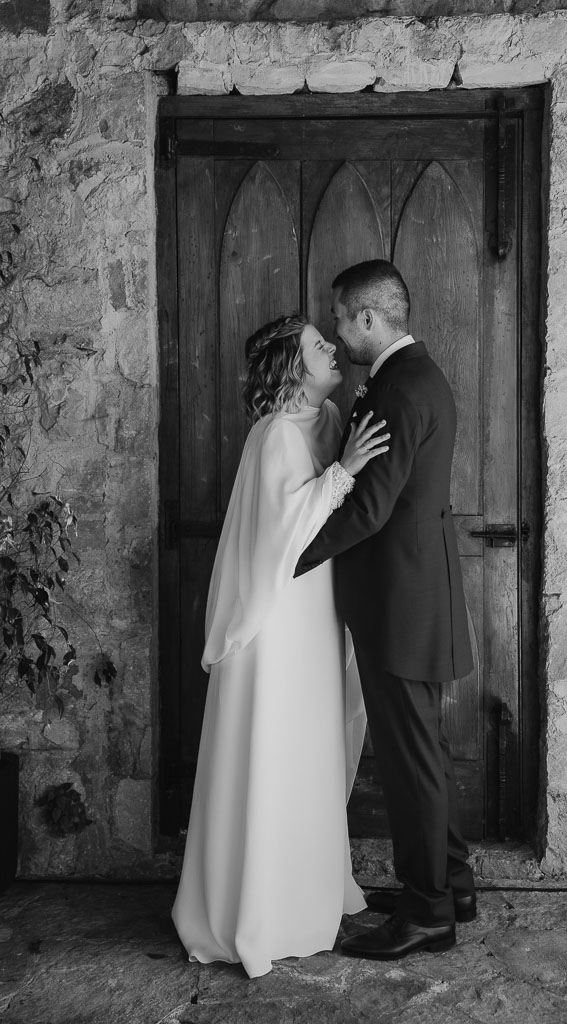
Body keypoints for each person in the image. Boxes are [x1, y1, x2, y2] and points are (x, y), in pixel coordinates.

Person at [172, 314, 390, 978]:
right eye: (317, 345)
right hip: (278, 616)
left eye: (330, 339)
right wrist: (344, 472)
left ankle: (313, 890)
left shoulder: (322, 424)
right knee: (274, 742)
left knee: (311, 744)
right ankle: (261, 908)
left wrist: (345, 456)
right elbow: (281, 534)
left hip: (316, 610)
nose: (332, 350)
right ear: (292, 369)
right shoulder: (272, 437)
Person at [295, 260, 475, 961]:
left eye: (340, 320)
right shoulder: (413, 378)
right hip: (416, 591)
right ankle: (450, 883)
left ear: (369, 318)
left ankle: (428, 912)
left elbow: (368, 509)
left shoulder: (397, 391)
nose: (337, 336)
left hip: (399, 602)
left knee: (410, 762)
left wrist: (289, 557)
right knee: (422, 749)